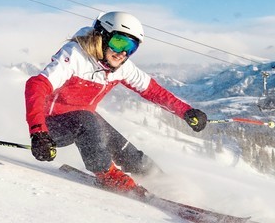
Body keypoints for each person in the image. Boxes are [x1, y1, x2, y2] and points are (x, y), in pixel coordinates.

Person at [24, 11, 209, 192]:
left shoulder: (121, 67)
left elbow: (153, 91)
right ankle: (108, 176)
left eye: (131, 47)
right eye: (119, 42)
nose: (123, 53)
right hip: (51, 127)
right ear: (101, 36)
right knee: (87, 120)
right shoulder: (75, 56)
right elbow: (36, 86)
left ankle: (163, 184)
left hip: (86, 123)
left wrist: (186, 111)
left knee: (126, 150)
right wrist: (39, 132)